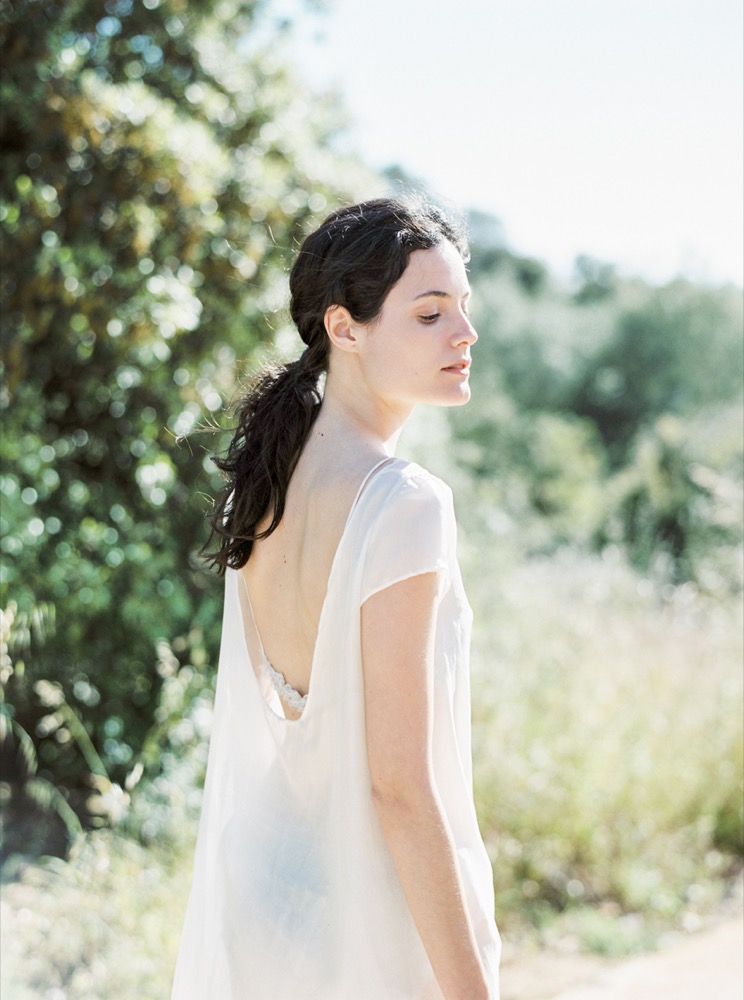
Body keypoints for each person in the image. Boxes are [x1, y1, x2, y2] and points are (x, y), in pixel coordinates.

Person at [171, 197, 501, 1000]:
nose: (464, 334)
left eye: (463, 308)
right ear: (344, 328)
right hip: (369, 921)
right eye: (429, 314)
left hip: (271, 893)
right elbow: (400, 784)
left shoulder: (268, 482)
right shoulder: (403, 502)